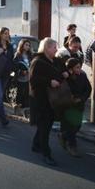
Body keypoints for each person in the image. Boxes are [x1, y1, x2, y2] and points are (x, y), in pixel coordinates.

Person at [29, 38, 67, 166]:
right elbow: (33, 80)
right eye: (54, 47)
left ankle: (36, 144)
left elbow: (60, 71)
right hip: (41, 99)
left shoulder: (55, 60)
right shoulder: (37, 61)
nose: (56, 50)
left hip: (53, 98)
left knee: (46, 124)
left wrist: (64, 73)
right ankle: (46, 154)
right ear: (47, 48)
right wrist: (49, 82)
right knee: (45, 126)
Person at [59, 58, 91, 158]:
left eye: (80, 67)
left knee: (77, 125)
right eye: (77, 67)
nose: (79, 69)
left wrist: (81, 99)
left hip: (79, 104)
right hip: (68, 105)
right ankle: (72, 146)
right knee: (71, 126)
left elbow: (88, 88)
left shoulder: (82, 76)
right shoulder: (66, 77)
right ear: (71, 68)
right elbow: (61, 89)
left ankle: (64, 136)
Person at [13, 39, 33, 117]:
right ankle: (17, 108)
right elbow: (14, 67)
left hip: (28, 78)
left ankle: (25, 111)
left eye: (28, 45)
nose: (27, 47)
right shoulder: (18, 55)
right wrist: (21, 72)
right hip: (20, 78)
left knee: (27, 95)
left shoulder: (30, 55)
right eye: (26, 45)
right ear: (22, 45)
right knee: (20, 94)